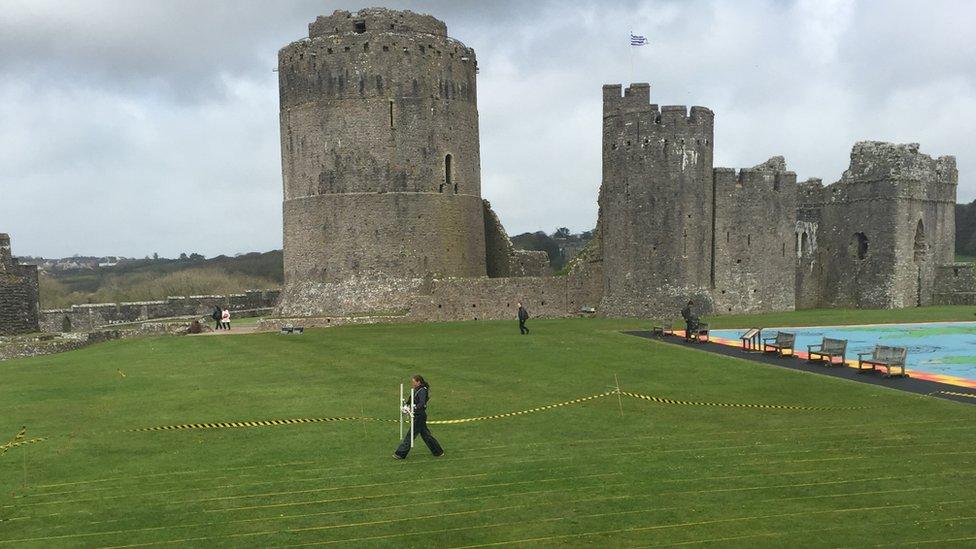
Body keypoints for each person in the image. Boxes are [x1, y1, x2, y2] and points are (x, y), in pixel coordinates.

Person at [394, 375, 444, 459]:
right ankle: (438, 451)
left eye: (414, 382)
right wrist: (406, 407)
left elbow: (422, 403)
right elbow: (410, 400)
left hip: (419, 416)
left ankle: (400, 454)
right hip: (417, 415)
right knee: (426, 435)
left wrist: (414, 408)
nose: (412, 383)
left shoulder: (422, 391)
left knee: (410, 435)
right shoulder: (415, 390)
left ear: (418, 382)